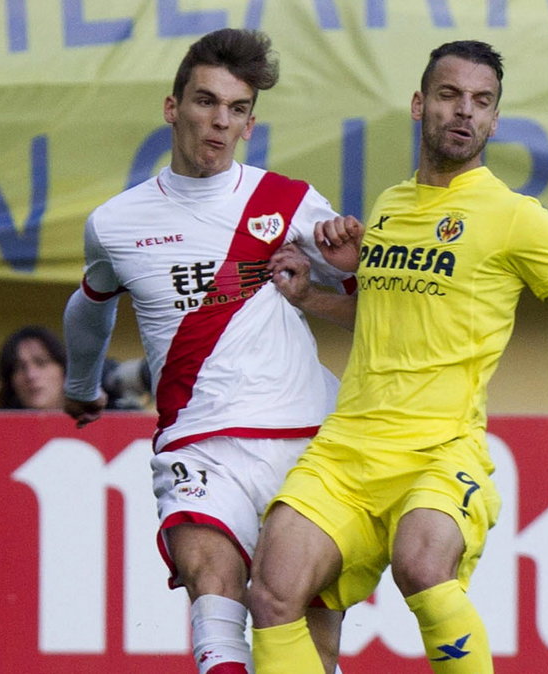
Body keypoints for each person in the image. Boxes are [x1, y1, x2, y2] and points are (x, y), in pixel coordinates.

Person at [247, 40, 548, 673]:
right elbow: (390, 317)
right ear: (420, 103)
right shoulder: (390, 208)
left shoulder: (514, 218)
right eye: (450, 96)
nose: (465, 113)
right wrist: (312, 293)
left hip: (441, 448)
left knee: (422, 565)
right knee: (272, 592)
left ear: (495, 120)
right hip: (349, 450)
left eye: (481, 102)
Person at [60, 29, 355, 674]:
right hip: (198, 443)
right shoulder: (117, 223)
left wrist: (346, 262)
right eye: (206, 102)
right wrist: (82, 386)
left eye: (238, 109)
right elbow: (89, 306)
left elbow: (375, 306)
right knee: (213, 588)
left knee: (312, 641)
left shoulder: (289, 202)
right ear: (173, 108)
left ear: (251, 122)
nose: (220, 121)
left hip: (307, 440)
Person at [0, 324, 148, 410]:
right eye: (19, 368)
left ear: (65, 370)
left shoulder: (106, 418)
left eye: (41, 363)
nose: (31, 375)